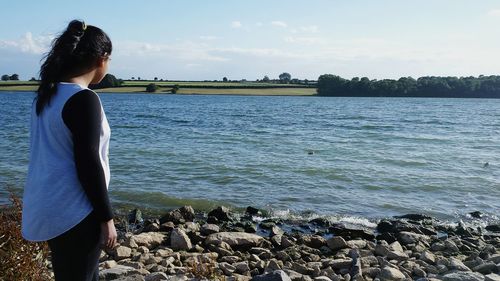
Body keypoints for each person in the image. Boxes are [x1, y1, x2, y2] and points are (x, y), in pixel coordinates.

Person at [21, 20, 117, 281]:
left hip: (50, 204)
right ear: (101, 59)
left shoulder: (47, 95)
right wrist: (106, 217)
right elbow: (88, 163)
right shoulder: (83, 98)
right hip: (76, 210)